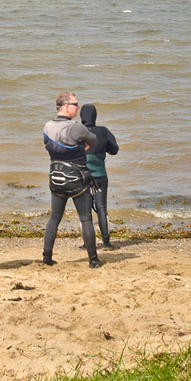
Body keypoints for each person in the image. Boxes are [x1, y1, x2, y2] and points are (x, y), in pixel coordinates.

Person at [42, 90, 101, 268]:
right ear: (67, 107)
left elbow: (49, 146)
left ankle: (46, 257)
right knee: (85, 219)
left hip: (56, 176)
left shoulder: (47, 127)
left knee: (54, 218)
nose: (78, 107)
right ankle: (93, 260)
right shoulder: (77, 127)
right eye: (76, 104)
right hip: (77, 179)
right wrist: (82, 144)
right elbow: (94, 141)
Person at [80, 103, 119, 248]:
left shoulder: (77, 131)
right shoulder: (103, 131)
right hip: (100, 175)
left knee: (85, 210)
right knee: (102, 207)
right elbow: (114, 149)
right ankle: (107, 243)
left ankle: (86, 243)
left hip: (82, 177)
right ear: (95, 116)